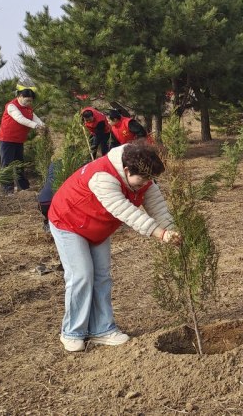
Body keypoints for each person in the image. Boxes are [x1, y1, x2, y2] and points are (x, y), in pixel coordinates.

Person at [47, 142, 180, 352]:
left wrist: (173, 231)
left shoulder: (143, 176)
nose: (146, 184)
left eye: (150, 179)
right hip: (68, 222)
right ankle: (72, 332)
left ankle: (102, 330)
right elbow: (126, 211)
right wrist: (160, 234)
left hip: (97, 227)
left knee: (102, 276)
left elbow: (158, 208)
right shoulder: (102, 177)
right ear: (126, 171)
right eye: (143, 180)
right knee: (81, 275)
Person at [0, 86, 46, 194]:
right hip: (7, 139)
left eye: (31, 101)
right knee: (7, 164)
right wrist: (36, 126)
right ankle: (7, 189)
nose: (29, 102)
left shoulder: (28, 108)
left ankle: (23, 187)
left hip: (19, 140)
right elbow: (20, 118)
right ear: (20, 96)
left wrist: (43, 125)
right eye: (27, 100)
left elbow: (35, 118)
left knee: (20, 164)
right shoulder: (12, 106)